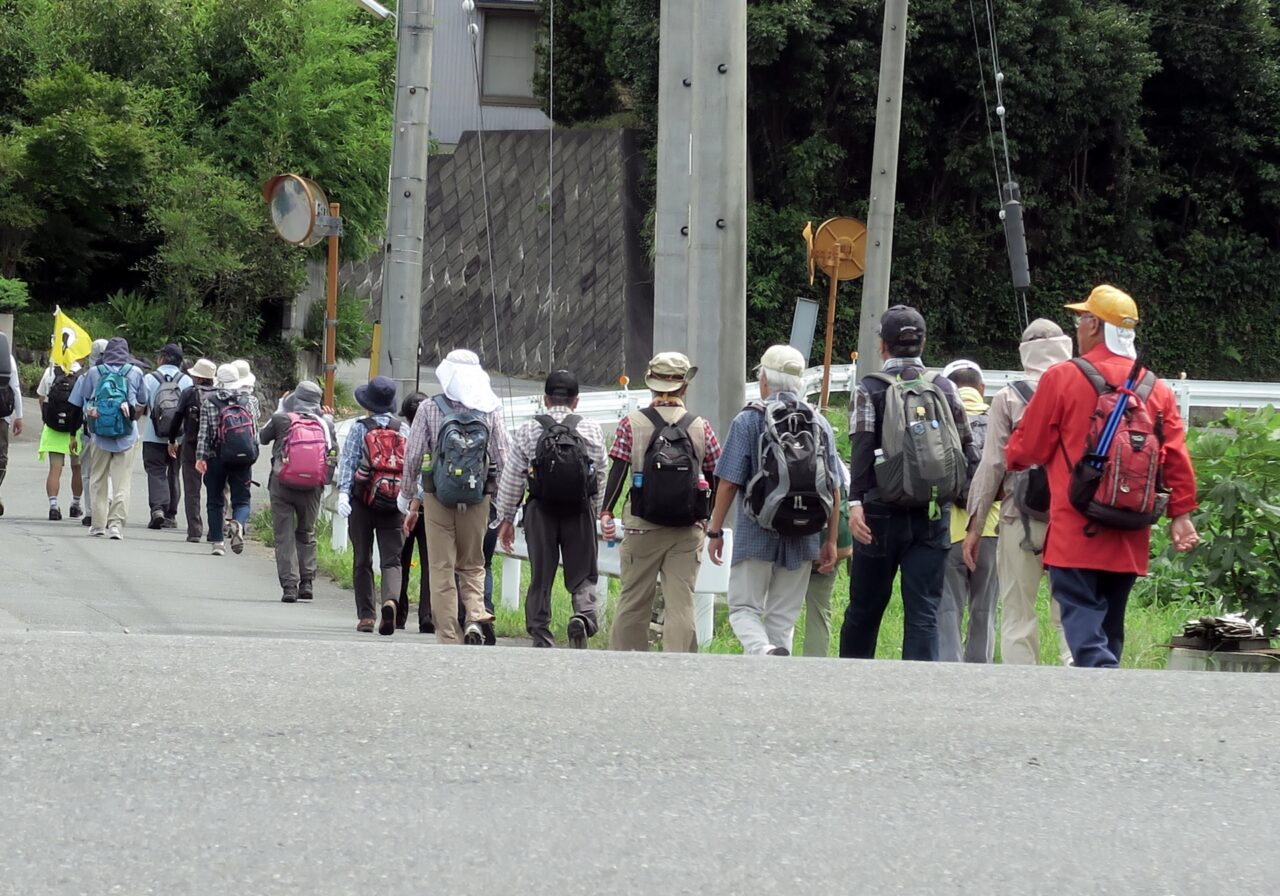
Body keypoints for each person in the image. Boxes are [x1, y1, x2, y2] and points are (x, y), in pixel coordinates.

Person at [1005, 285, 1199, 668]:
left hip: (1075, 527)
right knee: (1110, 626)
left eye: (1080, 319)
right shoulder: (1154, 388)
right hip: (1130, 530)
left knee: (1085, 630)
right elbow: (1175, 454)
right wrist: (1181, 514)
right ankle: (1109, 699)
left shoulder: (1062, 377)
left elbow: (1027, 449)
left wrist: (1012, 456)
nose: (1077, 327)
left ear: (1094, 325)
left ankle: (1102, 684)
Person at [839, 305, 978, 661]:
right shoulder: (944, 388)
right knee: (924, 614)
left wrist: (855, 504)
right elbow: (966, 448)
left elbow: (862, 447)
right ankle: (918, 695)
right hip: (932, 512)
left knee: (865, 610)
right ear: (922, 343)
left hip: (878, 514)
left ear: (883, 346)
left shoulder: (869, 388)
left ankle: (852, 685)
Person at [707, 345, 840, 656]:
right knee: (783, 620)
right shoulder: (819, 423)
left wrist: (714, 532)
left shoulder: (749, 420)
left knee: (743, 609)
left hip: (756, 533)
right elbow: (833, 487)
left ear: (764, 380)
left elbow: (727, 484)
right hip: (805, 534)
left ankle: (762, 652)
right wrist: (830, 540)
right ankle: (776, 675)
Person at [963, 320, 1074, 665]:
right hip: (1071, 518)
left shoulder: (1010, 397)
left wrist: (975, 525)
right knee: (1072, 609)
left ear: (1025, 354)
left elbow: (992, 465)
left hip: (1018, 516)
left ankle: (1022, 692)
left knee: (1017, 611)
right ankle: (1080, 677)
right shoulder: (1083, 391)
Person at [602, 352, 722, 653]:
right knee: (681, 603)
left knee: (633, 600)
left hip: (642, 525)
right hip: (686, 528)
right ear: (684, 387)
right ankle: (678, 668)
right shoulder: (700, 426)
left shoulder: (632, 423)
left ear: (651, 385)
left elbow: (617, 470)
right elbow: (716, 474)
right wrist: (708, 516)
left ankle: (627, 666)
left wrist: (606, 511)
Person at [399, 350, 507, 645]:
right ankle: (474, 615)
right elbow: (503, 457)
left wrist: (408, 496)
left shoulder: (430, 409)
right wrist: (503, 501)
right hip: (477, 497)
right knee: (474, 563)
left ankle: (448, 635)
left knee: (441, 567)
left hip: (437, 498)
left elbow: (412, 456)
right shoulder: (491, 408)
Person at [496, 370, 608, 648]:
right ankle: (583, 616)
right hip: (579, 510)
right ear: (576, 401)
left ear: (545, 399)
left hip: (540, 511)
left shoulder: (529, 429)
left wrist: (506, 518)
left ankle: (540, 631)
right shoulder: (591, 429)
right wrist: (594, 510)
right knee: (583, 572)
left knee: (541, 574)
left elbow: (513, 478)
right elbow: (601, 474)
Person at [936, 360, 999, 663]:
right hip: (991, 527)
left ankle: (950, 667)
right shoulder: (999, 422)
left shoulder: (943, 421)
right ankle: (980, 670)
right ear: (982, 389)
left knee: (947, 605)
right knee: (984, 607)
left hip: (950, 528)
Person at [339, 376, 407, 634]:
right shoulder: (403, 429)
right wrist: (409, 497)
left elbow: (348, 462)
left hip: (363, 502)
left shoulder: (360, 428)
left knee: (362, 559)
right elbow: (410, 467)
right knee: (392, 560)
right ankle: (390, 600)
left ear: (368, 403)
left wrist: (344, 493)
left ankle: (366, 615)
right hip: (394, 503)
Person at [260, 380, 335, 603]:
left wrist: (281, 408)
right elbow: (332, 455)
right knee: (306, 532)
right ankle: (307, 582)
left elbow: (262, 438)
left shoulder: (282, 419)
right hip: (312, 487)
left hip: (282, 483)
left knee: (284, 535)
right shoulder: (325, 424)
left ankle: (290, 586)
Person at [68, 336, 147, 539]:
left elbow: (86, 401)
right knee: (122, 482)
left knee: (98, 479)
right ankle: (116, 525)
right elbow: (143, 401)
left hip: (99, 434)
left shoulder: (95, 372)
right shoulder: (136, 372)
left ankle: (98, 524)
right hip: (127, 435)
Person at [195, 363, 260, 557]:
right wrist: (252, 454)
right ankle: (238, 523)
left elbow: (204, 433)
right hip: (243, 458)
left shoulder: (210, 401)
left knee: (215, 500)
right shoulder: (250, 401)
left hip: (216, 457)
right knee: (242, 500)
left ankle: (218, 543)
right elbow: (254, 432)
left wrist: (200, 457)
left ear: (218, 381)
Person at [801, 473, 854, 657]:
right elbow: (841, 490)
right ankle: (814, 670)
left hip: (788, 538)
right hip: (826, 544)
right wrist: (832, 540)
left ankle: (772, 666)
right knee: (819, 611)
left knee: (780, 611)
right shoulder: (829, 455)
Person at [142, 343, 193, 530]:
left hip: (152, 434)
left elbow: (143, 404)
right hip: (179, 437)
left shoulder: (149, 378)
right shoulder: (187, 381)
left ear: (162, 358)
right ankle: (171, 515)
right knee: (174, 472)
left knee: (155, 471)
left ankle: (157, 509)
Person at [171, 358, 217, 543]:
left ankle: (195, 531)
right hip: (216, 447)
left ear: (197, 377)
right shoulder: (220, 394)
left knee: (192, 490)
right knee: (216, 489)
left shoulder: (189, 393)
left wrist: (172, 439)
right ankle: (215, 530)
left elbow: (176, 418)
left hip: (191, 445)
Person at [396, 391, 432, 631]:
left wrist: (408, 498)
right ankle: (427, 617)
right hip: (431, 504)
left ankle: (397, 614)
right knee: (431, 563)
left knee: (400, 560)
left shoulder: (399, 433)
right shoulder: (436, 433)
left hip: (402, 503)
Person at [35, 359, 84, 521]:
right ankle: (75, 505)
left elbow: (41, 397)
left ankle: (53, 506)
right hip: (76, 428)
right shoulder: (82, 374)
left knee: (55, 469)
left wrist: (48, 416)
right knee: (77, 468)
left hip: (53, 427)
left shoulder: (50, 372)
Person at [77, 339, 108, 528]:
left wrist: (73, 433)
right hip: (115, 431)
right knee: (109, 472)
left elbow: (76, 405)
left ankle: (90, 512)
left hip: (89, 429)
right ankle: (108, 507)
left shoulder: (87, 375)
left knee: (89, 473)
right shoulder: (122, 372)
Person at [0, 330, 22, 518]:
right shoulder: (7, 359)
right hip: (2, 416)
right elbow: (14, 388)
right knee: (1, 456)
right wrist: (19, 416)